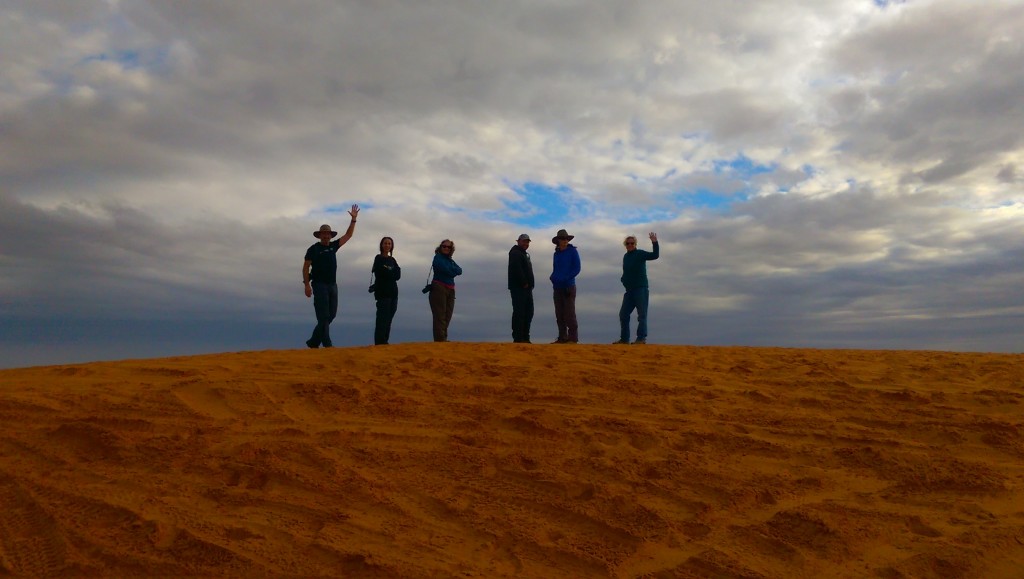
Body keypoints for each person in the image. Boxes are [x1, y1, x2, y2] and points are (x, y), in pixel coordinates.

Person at [302, 205, 359, 348]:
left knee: (331, 315)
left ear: (331, 235)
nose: (326, 236)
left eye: (328, 234)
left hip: (333, 285)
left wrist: (353, 220)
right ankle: (327, 344)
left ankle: (314, 341)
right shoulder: (313, 249)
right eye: (324, 234)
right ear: (320, 235)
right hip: (319, 285)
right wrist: (307, 285)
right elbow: (305, 267)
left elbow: (348, 236)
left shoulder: (333, 246)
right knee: (323, 316)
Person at [615, 232, 660, 345]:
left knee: (642, 315)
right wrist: (623, 280)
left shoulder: (640, 253)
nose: (630, 245)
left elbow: (655, 255)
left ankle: (641, 338)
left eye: (632, 243)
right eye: (628, 243)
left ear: (635, 244)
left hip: (641, 289)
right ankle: (624, 339)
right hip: (629, 291)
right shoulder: (626, 256)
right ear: (625, 245)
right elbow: (626, 272)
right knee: (623, 314)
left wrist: (654, 242)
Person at [549, 229, 581, 343]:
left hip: (569, 286)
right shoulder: (556, 254)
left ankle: (573, 338)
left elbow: (577, 268)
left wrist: (566, 278)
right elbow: (555, 268)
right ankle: (562, 337)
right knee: (559, 314)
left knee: (569, 313)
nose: (565, 241)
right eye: (563, 239)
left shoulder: (573, 251)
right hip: (557, 287)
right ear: (558, 240)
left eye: (566, 239)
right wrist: (552, 277)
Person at [429, 239, 462, 342]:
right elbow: (448, 271)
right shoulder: (437, 258)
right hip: (439, 287)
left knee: (448, 315)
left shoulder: (450, 260)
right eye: (444, 246)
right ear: (440, 247)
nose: (446, 248)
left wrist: (452, 270)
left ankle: (443, 339)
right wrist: (452, 271)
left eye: (449, 247)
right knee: (440, 315)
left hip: (450, 289)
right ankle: (440, 340)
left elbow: (459, 270)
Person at [371, 236, 401, 345]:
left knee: (389, 319)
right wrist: (390, 272)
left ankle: (385, 341)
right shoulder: (378, 258)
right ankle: (379, 342)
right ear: (381, 245)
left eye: (389, 243)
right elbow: (380, 272)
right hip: (382, 293)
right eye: (385, 243)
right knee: (382, 319)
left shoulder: (392, 260)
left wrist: (389, 272)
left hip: (393, 292)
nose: (387, 245)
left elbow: (398, 274)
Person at [508, 233, 535, 343]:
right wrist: (524, 282)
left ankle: (525, 337)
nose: (526, 243)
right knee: (520, 312)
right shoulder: (515, 253)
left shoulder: (524, 254)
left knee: (528, 312)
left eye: (527, 241)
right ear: (518, 241)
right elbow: (516, 269)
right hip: (519, 288)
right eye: (524, 241)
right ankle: (519, 337)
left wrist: (530, 284)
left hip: (526, 288)